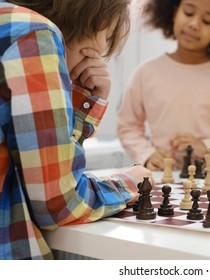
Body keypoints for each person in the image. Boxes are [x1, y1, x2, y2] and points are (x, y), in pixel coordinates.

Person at [0, 0, 154, 260]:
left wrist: (82, 102)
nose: (100, 50)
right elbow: (58, 203)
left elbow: (37, 168)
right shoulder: (34, 34)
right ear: (94, 17)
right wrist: (130, 182)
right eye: (105, 36)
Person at [117, 0, 210, 171]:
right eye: (188, 13)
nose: (194, 24)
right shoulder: (146, 73)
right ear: (174, 13)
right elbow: (128, 126)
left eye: (207, 21)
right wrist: (147, 154)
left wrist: (206, 147)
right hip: (162, 181)